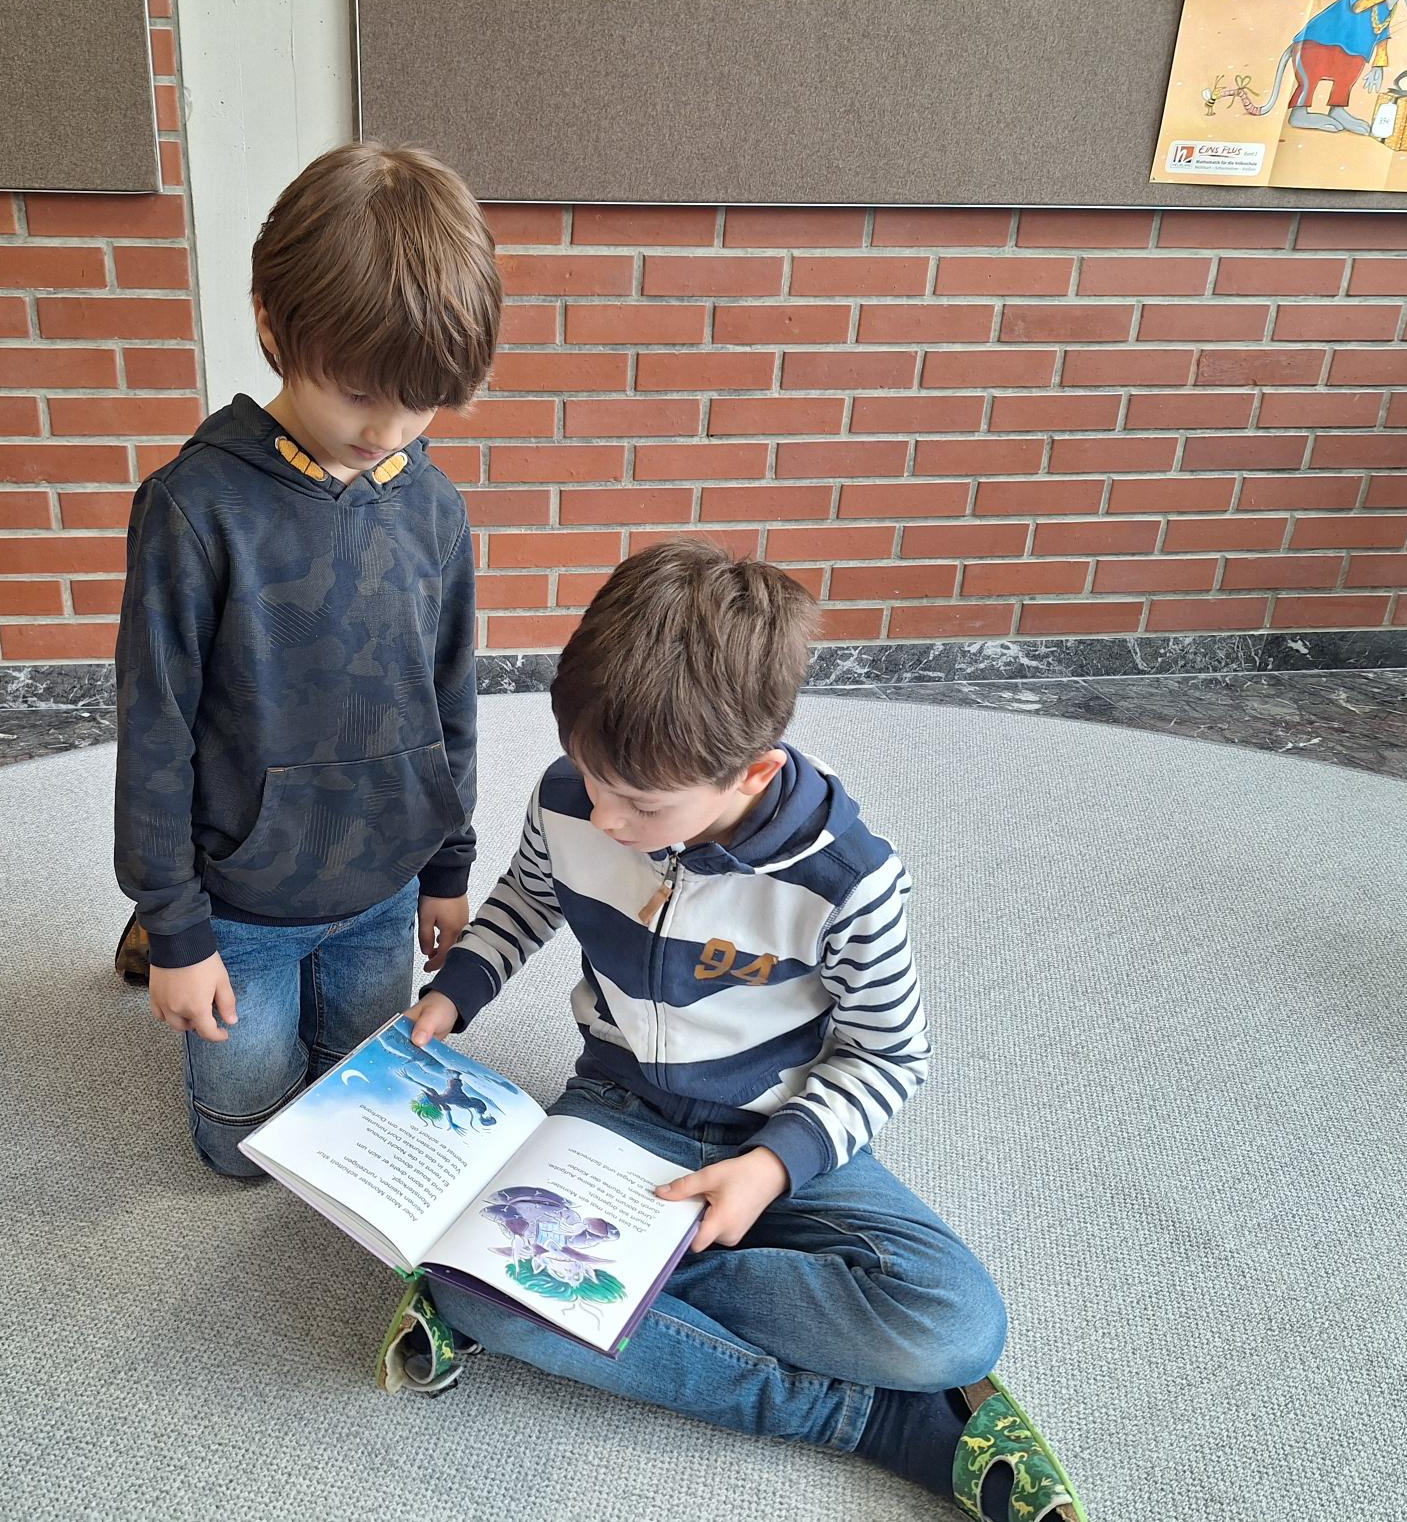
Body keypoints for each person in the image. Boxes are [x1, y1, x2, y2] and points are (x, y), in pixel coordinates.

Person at [385, 540, 1084, 1522]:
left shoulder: (849, 879)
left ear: (753, 772)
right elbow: (527, 899)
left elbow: (889, 1054)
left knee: (954, 1327)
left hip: (783, 1132)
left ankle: (609, 1269)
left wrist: (770, 1168)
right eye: (589, 777)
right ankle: (866, 1422)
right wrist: (455, 993)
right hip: (619, 1109)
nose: (602, 815)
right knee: (477, 1298)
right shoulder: (572, 797)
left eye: (640, 803)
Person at [111, 141, 502, 1179]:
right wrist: (177, 928)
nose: (389, 430)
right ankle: (151, 941)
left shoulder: (434, 506)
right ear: (271, 326)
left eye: (421, 402)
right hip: (242, 900)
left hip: (381, 886)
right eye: (360, 394)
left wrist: (447, 869)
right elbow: (154, 732)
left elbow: (451, 698)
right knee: (242, 1149)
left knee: (354, 1108)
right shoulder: (194, 510)